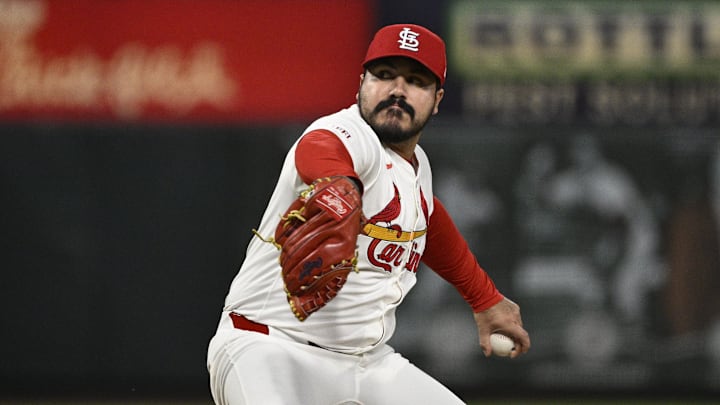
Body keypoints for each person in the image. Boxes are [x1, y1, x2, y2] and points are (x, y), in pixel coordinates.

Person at [207, 24, 530, 405]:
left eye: (416, 81)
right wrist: (340, 189)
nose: (397, 90)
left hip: (365, 364)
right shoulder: (344, 133)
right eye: (384, 75)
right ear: (361, 82)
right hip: (268, 346)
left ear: (437, 99)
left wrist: (484, 298)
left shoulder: (416, 168)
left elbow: (430, 221)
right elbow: (320, 150)